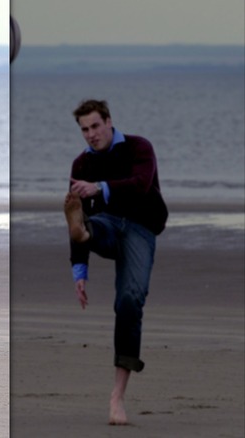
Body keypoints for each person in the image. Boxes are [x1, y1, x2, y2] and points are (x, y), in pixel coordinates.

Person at [63, 99, 168, 425]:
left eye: (95, 126)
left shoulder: (139, 148)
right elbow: (75, 217)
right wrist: (79, 270)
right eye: (84, 130)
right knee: (84, 227)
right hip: (105, 226)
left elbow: (141, 185)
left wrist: (100, 188)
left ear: (109, 121)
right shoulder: (81, 165)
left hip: (140, 228)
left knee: (129, 300)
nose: (91, 134)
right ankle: (85, 234)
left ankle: (117, 396)